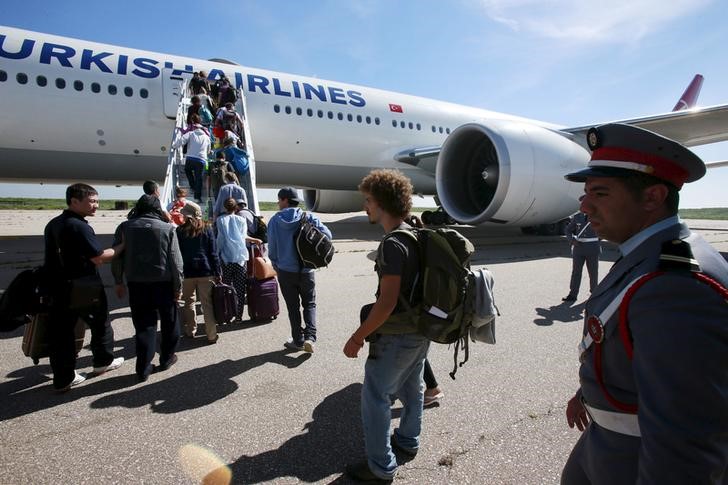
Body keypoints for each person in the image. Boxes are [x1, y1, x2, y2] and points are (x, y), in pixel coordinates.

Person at [561, 123, 728, 484]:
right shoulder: (648, 251)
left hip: (630, 461)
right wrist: (588, 393)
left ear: (652, 197)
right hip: (609, 445)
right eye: (585, 192)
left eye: (600, 193)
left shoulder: (675, 286)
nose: (584, 204)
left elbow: (686, 442)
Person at [342, 170, 429, 482]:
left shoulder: (393, 244)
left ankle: (380, 468)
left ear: (382, 203)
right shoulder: (416, 233)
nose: (365, 206)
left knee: (376, 396)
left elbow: (387, 302)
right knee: (412, 387)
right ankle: (407, 440)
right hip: (421, 328)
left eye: (368, 200)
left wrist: (357, 337)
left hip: (397, 334)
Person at [43, 183, 125, 392]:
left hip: (57, 285)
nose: (96, 205)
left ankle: (63, 378)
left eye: (97, 201)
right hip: (83, 285)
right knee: (100, 324)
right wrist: (120, 247)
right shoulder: (79, 226)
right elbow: (98, 257)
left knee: (61, 333)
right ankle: (102, 362)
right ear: (74, 201)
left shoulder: (53, 224)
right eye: (92, 201)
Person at [112, 195, 184, 383]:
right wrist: (178, 286)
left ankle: (143, 368)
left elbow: (117, 257)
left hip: (137, 284)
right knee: (171, 323)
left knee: (144, 326)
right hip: (164, 284)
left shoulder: (124, 227)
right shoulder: (167, 228)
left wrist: (118, 281)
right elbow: (176, 261)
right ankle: (167, 357)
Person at [268, 187, 332, 354]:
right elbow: (328, 236)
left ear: (285, 200)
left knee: (293, 307)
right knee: (309, 304)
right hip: (307, 269)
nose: (277, 203)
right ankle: (310, 338)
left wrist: (276, 264)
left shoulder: (275, 221)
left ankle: (298, 340)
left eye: (279, 199)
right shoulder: (308, 216)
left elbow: (272, 249)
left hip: (285, 270)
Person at [176, 201, 221, 343]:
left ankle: (191, 330)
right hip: (205, 270)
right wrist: (217, 271)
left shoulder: (179, 231)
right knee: (207, 304)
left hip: (187, 272)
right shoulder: (207, 229)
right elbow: (213, 253)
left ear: (186, 216)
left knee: (188, 301)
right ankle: (211, 335)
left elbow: (177, 253)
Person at [216, 198, 262, 321]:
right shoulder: (241, 220)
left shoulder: (220, 220)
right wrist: (255, 240)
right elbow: (244, 237)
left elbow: (220, 240)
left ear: (225, 207)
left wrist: (216, 253)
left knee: (226, 288)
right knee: (240, 288)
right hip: (241, 258)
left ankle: (228, 313)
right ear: (236, 207)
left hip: (226, 258)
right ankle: (239, 315)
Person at [562, 205, 600, 302]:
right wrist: (572, 240)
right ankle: (573, 294)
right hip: (579, 248)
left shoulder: (597, 216)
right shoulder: (577, 217)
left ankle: (594, 294)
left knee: (593, 272)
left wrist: (596, 240)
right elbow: (568, 230)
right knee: (576, 272)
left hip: (592, 248)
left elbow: (605, 229)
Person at [172, 114, 211, 202]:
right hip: (201, 160)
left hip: (190, 158)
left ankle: (192, 186)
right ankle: (197, 197)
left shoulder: (190, 133)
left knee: (187, 170)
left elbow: (181, 141)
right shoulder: (207, 137)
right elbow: (209, 150)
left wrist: (174, 146)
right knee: (199, 178)